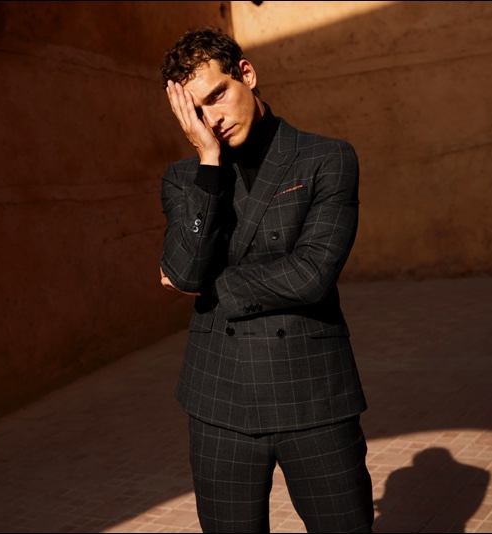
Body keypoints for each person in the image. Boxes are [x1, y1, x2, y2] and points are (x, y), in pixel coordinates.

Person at [158, 27, 374, 533]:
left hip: (313, 395)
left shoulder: (327, 158)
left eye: (217, 95)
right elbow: (185, 268)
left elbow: (311, 274)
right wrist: (209, 164)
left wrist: (211, 286)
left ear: (247, 75)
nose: (212, 119)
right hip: (219, 399)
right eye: (196, 112)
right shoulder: (185, 178)